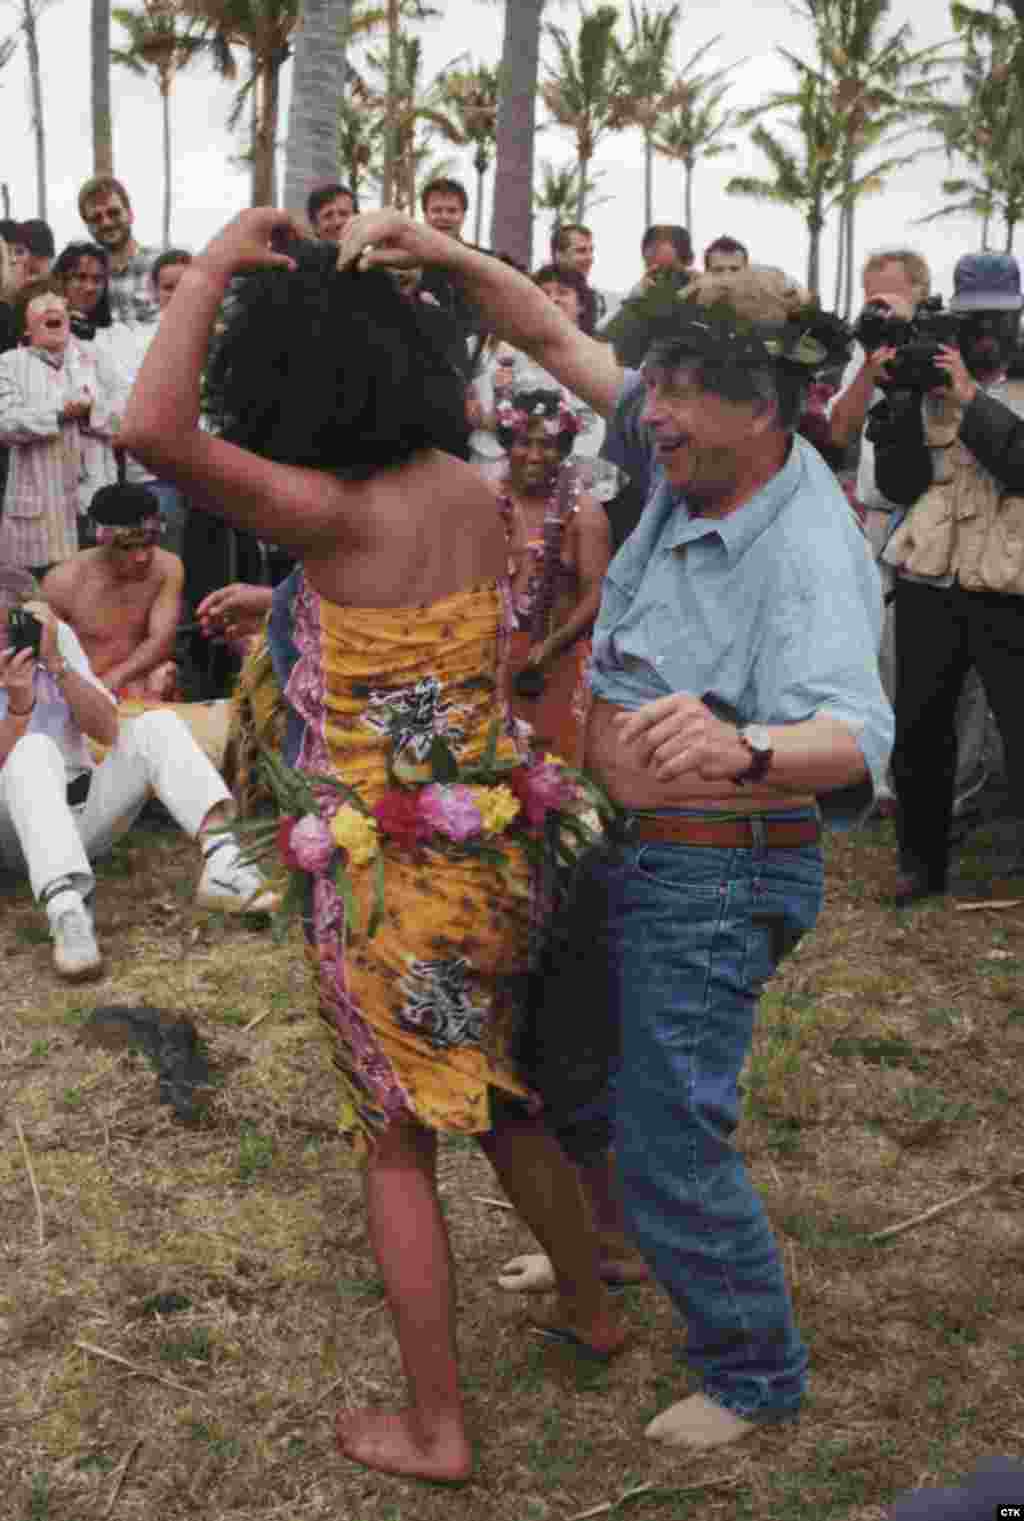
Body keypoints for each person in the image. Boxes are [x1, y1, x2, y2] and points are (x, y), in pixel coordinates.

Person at [338, 208, 892, 1451]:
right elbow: (544, 328)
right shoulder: (689, 440)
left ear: (769, 407)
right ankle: (615, 1254)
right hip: (622, 838)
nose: (650, 413)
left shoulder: (804, 548)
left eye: (686, 396)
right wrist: (444, 259)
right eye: (658, 386)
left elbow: (858, 738)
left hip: (718, 864)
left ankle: (753, 1371)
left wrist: (745, 745)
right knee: (559, 1062)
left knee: (664, 1122)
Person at [118, 209, 624, 1483]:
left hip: (390, 884)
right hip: (497, 859)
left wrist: (222, 262)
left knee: (394, 1135)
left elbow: (151, 433)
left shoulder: (330, 515)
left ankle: (438, 1427)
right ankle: (594, 1301)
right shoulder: (469, 495)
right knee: (497, 1089)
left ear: (288, 386)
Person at [0, 567, 277, 982]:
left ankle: (224, 862)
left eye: (10, 627)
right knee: (34, 748)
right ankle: (66, 912)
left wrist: (57, 665)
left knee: (155, 726)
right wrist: (20, 708)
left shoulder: (52, 640)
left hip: (81, 812)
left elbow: (107, 729)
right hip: (14, 826)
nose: (8, 641)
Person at [872, 251, 1024, 902]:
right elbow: (899, 482)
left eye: (999, 319)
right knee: (920, 727)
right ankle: (920, 861)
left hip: (1009, 582)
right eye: (974, 319)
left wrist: (967, 398)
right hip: (930, 575)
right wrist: (901, 400)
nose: (986, 332)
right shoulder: (925, 376)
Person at [496, 388, 610, 764]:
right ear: (506, 444)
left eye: (546, 445)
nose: (533, 455)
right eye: (523, 442)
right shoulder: (485, 501)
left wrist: (548, 648)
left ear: (563, 450)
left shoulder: (584, 513)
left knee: (552, 778)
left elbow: (597, 595)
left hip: (555, 663)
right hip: (489, 661)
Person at [0, 278, 120, 576]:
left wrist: (92, 411)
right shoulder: (8, 364)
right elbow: (5, 423)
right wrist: (59, 412)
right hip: (40, 512)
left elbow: (126, 415)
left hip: (95, 499)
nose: (53, 304)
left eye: (58, 299)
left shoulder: (96, 356)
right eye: (41, 301)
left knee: (97, 591)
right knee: (43, 600)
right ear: (26, 327)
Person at [41, 483, 183, 701]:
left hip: (138, 684)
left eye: (149, 544)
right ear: (103, 541)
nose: (142, 557)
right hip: (81, 692)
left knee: (163, 674)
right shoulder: (63, 582)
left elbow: (162, 640)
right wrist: (91, 693)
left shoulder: (168, 568)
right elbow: (45, 656)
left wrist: (114, 681)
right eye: (127, 547)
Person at [77, 175, 159, 326]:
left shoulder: (160, 266)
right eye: (96, 218)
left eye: (113, 213)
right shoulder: (83, 280)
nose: (106, 222)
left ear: (130, 214)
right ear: (88, 227)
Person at [53, 241, 114, 338]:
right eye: (80, 277)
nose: (89, 287)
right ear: (61, 280)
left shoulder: (117, 334)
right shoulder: (38, 329)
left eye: (97, 279)